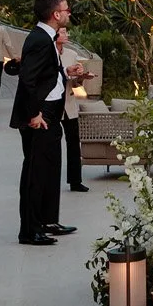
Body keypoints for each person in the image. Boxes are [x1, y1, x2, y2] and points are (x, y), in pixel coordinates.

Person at [10, 0, 79, 245]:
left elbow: (43, 75)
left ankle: (46, 221)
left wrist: (64, 71)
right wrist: (34, 114)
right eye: (66, 8)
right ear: (56, 14)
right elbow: (27, 80)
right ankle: (29, 230)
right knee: (35, 173)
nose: (69, 12)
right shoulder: (39, 39)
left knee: (49, 169)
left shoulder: (47, 37)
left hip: (51, 112)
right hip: (40, 115)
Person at [56, 26, 91, 193]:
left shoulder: (71, 54)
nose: (67, 34)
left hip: (69, 105)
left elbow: (75, 83)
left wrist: (81, 77)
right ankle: (49, 180)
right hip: (52, 106)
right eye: (63, 32)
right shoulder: (46, 52)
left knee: (73, 144)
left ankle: (75, 181)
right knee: (52, 146)